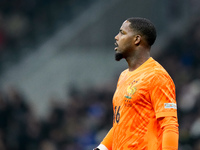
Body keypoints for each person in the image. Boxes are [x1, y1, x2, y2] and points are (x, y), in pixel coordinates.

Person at [93, 17, 179, 150]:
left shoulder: (156, 76)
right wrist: (102, 148)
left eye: (122, 32)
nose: (116, 37)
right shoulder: (123, 76)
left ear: (137, 39)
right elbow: (121, 123)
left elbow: (169, 125)